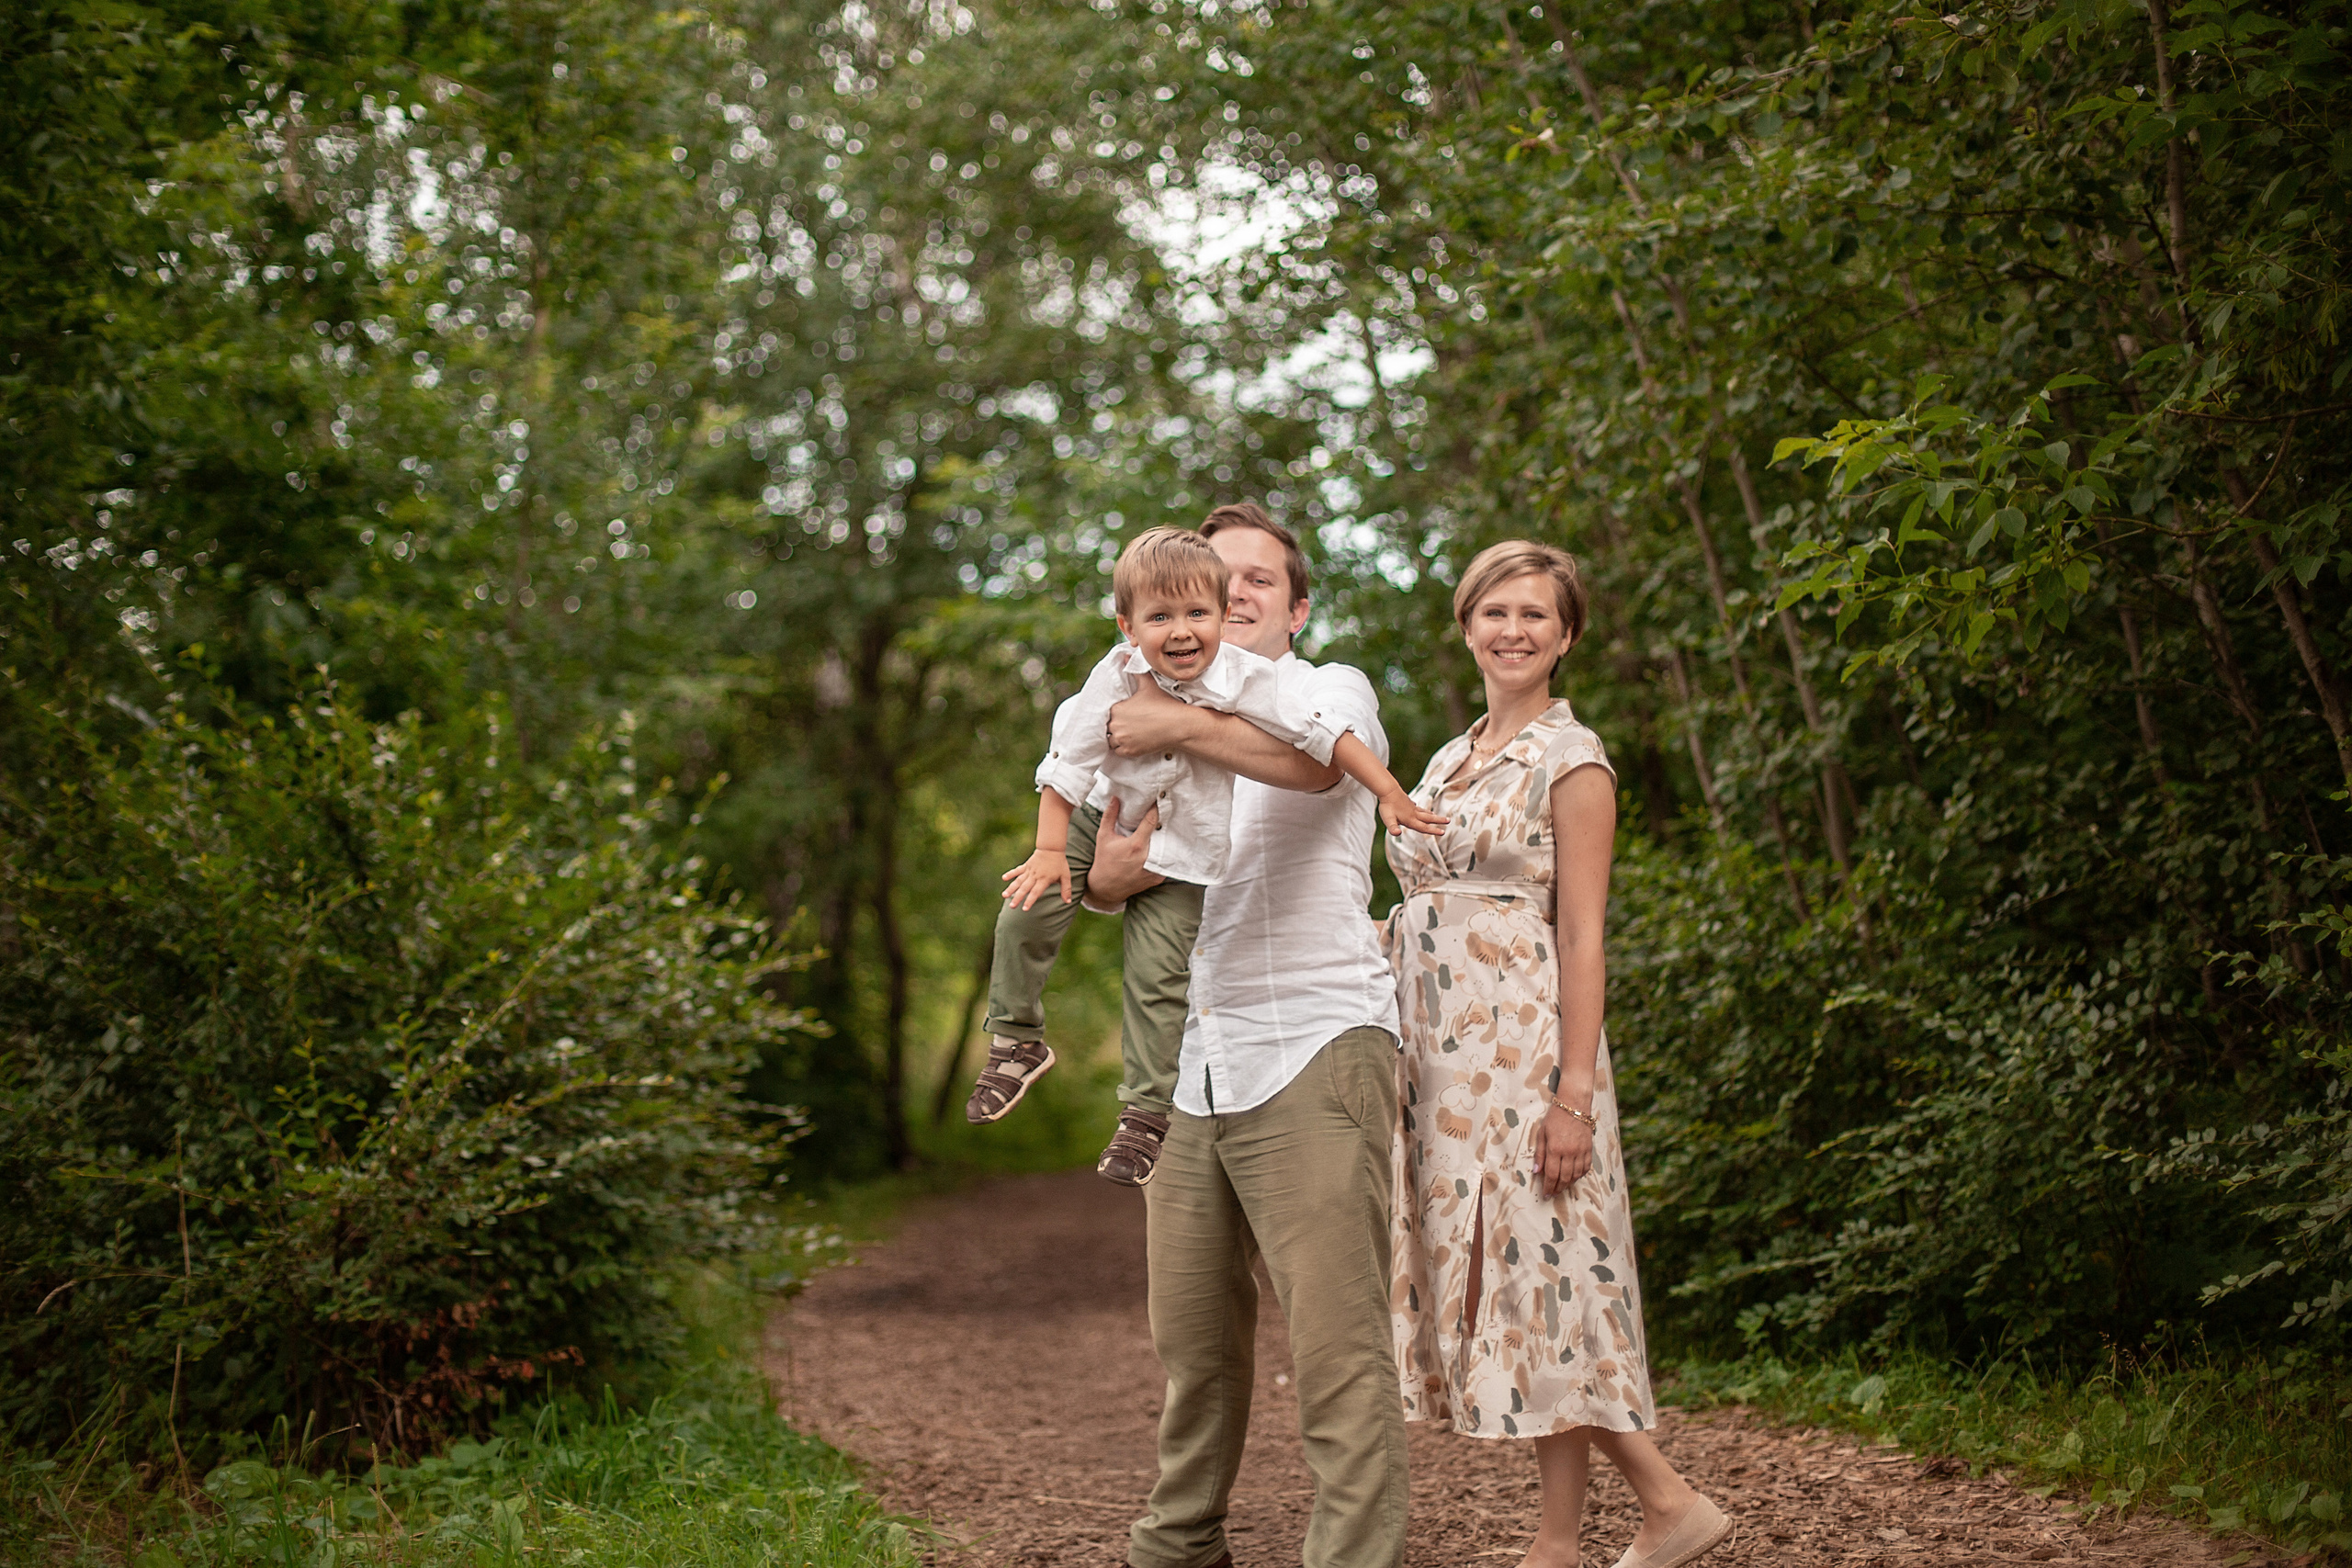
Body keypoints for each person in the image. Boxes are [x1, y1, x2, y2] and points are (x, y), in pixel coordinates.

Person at [1385, 538, 1732, 1568]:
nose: (1513, 630)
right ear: (1466, 625)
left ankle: (1612, 1527)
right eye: (1494, 612)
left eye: (1535, 614)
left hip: (1527, 1057)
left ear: (1566, 635)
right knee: (1522, 1284)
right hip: (1441, 1067)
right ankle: (1582, 1539)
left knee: (1551, 1275)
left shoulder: (1571, 761)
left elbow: (1581, 934)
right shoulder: (1448, 758)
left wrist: (1571, 1095)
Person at [1085, 503, 1411, 1568]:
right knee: (1192, 1349)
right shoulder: (1139, 702)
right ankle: (1178, 1548)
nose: (1229, 598)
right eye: (1210, 582)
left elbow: (1318, 768)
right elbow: (1104, 877)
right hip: (1188, 1064)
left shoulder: (1331, 689)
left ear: (1295, 604)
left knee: (1337, 1348)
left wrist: (1171, 726)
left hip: (1315, 1039)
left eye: (1254, 582)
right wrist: (1125, 849)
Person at [969, 525, 1442, 1188]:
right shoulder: (1114, 678)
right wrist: (1084, 870)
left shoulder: (1308, 683)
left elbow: (1320, 753)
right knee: (1024, 912)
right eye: (1166, 612)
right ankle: (1018, 1039)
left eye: (1259, 580)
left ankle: (1141, 1110)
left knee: (1153, 980)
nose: (1192, 621)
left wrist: (1389, 789)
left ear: (1294, 610)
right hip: (1187, 1027)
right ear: (1131, 624)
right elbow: (1073, 776)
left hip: (1304, 1028)